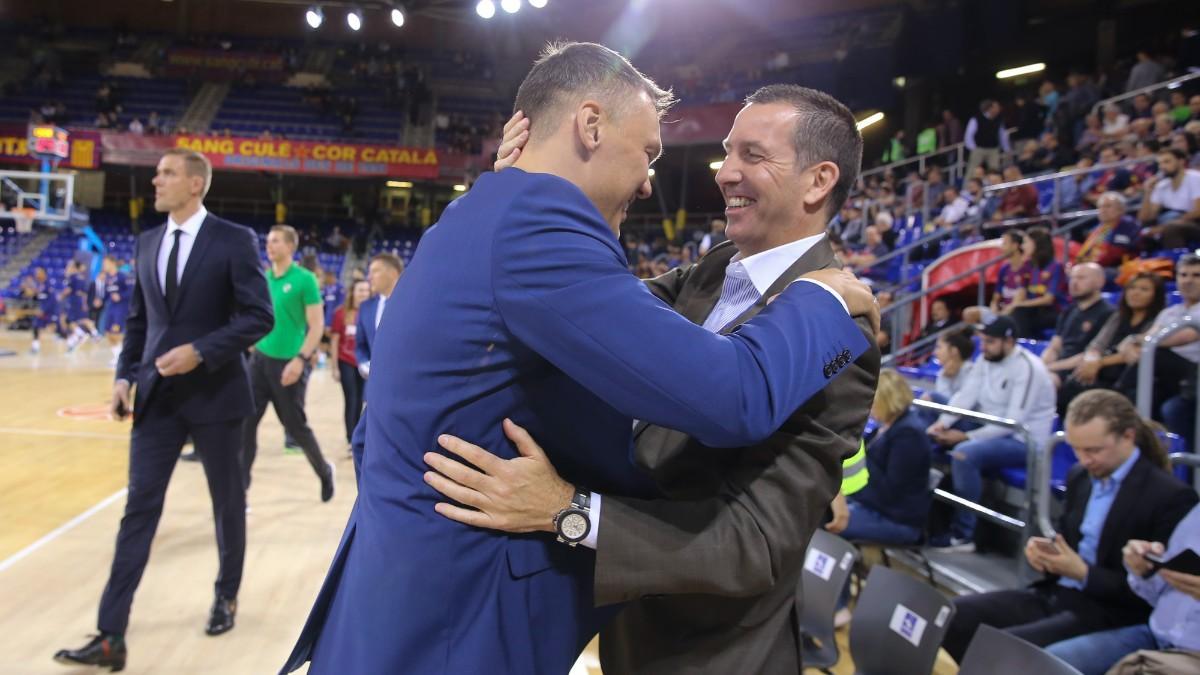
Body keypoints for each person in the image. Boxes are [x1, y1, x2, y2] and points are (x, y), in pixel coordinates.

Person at [282, 42, 877, 675]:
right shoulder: (583, 240)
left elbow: (757, 543)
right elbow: (710, 379)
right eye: (653, 152)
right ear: (590, 125)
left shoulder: (841, 335)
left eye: (751, 155)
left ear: (820, 180)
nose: (719, 171)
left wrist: (570, 513)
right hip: (463, 618)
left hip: (710, 654)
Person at [53, 149, 273, 670]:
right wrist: (124, 376)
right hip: (156, 398)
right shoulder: (147, 241)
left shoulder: (233, 239)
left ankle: (226, 594)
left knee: (226, 506)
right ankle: (111, 635)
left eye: (167, 173)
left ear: (195, 184)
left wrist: (201, 350)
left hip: (217, 397)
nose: (156, 179)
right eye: (158, 172)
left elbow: (258, 316)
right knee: (138, 512)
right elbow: (138, 321)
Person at [941, 390, 1198, 663]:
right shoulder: (1081, 477)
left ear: (1128, 436)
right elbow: (1067, 540)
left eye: (1094, 450)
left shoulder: (1169, 496)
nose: (1085, 459)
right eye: (1076, 449)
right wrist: (1046, 554)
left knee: (1003, 652)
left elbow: (1154, 594)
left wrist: (1084, 573)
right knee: (953, 616)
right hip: (1057, 594)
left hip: (1108, 611)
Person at [927, 315, 1056, 548]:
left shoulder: (1029, 368)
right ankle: (919, 511)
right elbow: (967, 395)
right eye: (983, 341)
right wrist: (942, 423)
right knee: (928, 409)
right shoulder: (986, 359)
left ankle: (964, 534)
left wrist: (966, 436)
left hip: (1021, 439)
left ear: (1009, 342)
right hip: (986, 425)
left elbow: (1013, 422)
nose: (984, 347)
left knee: (964, 454)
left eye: (990, 342)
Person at [1046, 502, 1200, 674]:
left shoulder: (1175, 497)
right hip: (1156, 634)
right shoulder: (1195, 516)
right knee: (1050, 664)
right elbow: (1160, 592)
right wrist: (1142, 570)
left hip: (1192, 654)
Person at [241, 225, 335, 502]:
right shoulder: (263, 277)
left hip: (289, 364)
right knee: (245, 424)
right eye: (268, 241)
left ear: (291, 247)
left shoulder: (305, 279)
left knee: (295, 427)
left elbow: (316, 326)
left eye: (276, 241)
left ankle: (324, 472)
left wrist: (301, 360)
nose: (270, 246)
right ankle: (241, 491)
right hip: (258, 361)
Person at [838, 369, 931, 544]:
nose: (869, 407)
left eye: (873, 401)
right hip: (871, 506)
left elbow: (891, 490)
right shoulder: (885, 427)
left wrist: (859, 465)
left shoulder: (909, 435)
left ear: (887, 400)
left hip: (895, 519)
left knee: (825, 520)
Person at [1115, 254, 1200, 438]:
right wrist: (1135, 344)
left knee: (1155, 354)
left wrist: (1135, 341)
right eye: (1183, 275)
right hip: (1165, 377)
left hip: (1193, 376)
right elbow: (1148, 337)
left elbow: (1180, 337)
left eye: (1196, 275)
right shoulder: (1169, 312)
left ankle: (1117, 399)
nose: (1188, 281)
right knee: (1144, 389)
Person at [1059, 273, 1166, 412]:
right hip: (1102, 371)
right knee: (1071, 386)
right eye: (1132, 288)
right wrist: (1091, 360)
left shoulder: (1157, 321)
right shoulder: (1118, 317)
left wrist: (1099, 363)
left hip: (1128, 377)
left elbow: (1136, 353)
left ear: (1155, 295)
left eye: (1144, 289)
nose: (1136, 293)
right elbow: (1097, 344)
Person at [1041, 262, 1114, 390]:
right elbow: (1054, 346)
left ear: (1100, 282)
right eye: (1072, 278)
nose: (1074, 283)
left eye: (1081, 278)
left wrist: (1050, 368)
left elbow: (1090, 354)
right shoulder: (1068, 311)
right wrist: (1041, 365)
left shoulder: (1108, 314)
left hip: (1079, 372)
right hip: (1057, 367)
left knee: (1043, 384)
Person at [330, 279, 369, 449]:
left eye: (366, 291)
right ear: (353, 292)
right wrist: (334, 366)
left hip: (364, 363)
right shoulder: (341, 313)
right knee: (351, 400)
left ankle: (359, 437)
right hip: (346, 361)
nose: (364, 294)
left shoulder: (371, 311)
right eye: (360, 290)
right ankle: (350, 438)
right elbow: (335, 340)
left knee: (361, 401)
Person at [1008, 227, 1067, 338]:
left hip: (1055, 312)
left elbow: (1048, 300)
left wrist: (1018, 305)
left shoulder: (1056, 267)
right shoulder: (1027, 266)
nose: (1022, 246)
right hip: (1036, 311)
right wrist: (1011, 307)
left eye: (1025, 242)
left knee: (1019, 312)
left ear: (1036, 243)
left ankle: (1023, 348)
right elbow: (1021, 292)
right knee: (1013, 315)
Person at [353, 252, 403, 381]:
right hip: (374, 384)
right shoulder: (365, 307)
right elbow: (360, 344)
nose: (369, 277)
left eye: (375, 271)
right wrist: (363, 363)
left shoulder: (414, 304)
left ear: (393, 273)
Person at [963, 229, 1028, 327]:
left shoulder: (1028, 268)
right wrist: (994, 311)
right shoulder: (1004, 269)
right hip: (1001, 312)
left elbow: (1021, 297)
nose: (1001, 248)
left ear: (1015, 246)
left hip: (1018, 310)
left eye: (1005, 244)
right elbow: (995, 299)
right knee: (969, 313)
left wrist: (1002, 315)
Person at [1139, 148, 1200, 249]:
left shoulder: (1195, 178)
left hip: (1195, 223)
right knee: (1144, 231)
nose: (1162, 166)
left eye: (1167, 162)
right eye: (1160, 163)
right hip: (1172, 221)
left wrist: (1163, 227)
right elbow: (1146, 218)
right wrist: (1148, 192)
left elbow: (1198, 211)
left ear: (1181, 162)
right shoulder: (1161, 185)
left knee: (1172, 228)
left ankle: (1178, 260)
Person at [1076, 192, 1141, 267]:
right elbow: (1087, 251)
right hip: (1097, 265)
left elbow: (1114, 255)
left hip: (1120, 268)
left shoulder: (1128, 225)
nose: (1103, 210)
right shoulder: (1101, 227)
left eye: (1108, 206)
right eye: (1101, 207)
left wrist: (1088, 265)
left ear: (1121, 209)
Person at [964, 99, 1012, 180]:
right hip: (979, 148)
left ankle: (995, 189)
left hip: (993, 149)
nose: (998, 109)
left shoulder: (999, 120)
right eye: (996, 107)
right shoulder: (976, 118)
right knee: (972, 171)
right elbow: (969, 135)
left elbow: (1002, 136)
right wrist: (973, 148)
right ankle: (965, 190)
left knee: (994, 171)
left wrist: (1007, 149)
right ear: (990, 108)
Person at [100, 255, 132, 368]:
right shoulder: (108, 278)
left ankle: (124, 358)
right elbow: (107, 294)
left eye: (105, 263)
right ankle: (117, 356)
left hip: (121, 308)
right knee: (108, 333)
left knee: (117, 332)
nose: (104, 266)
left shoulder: (122, 276)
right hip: (111, 308)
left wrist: (121, 296)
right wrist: (100, 300)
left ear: (112, 263)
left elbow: (131, 292)